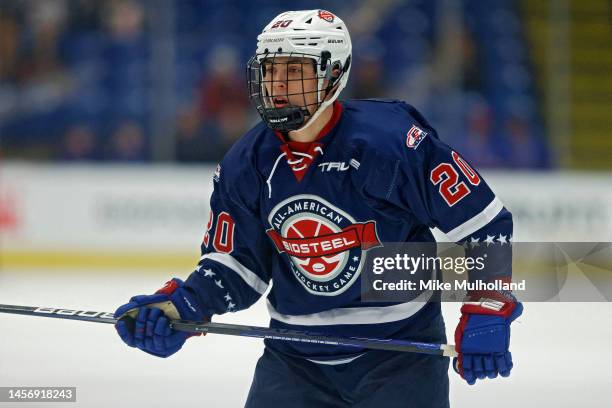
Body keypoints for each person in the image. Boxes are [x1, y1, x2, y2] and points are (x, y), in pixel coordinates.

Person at [114, 10, 522, 407]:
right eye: (270, 70)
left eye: (294, 71)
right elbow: (237, 267)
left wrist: (488, 305)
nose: (277, 84)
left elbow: (483, 224)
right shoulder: (247, 161)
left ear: (333, 74)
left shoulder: (392, 142)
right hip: (294, 362)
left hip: (401, 357)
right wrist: (183, 306)